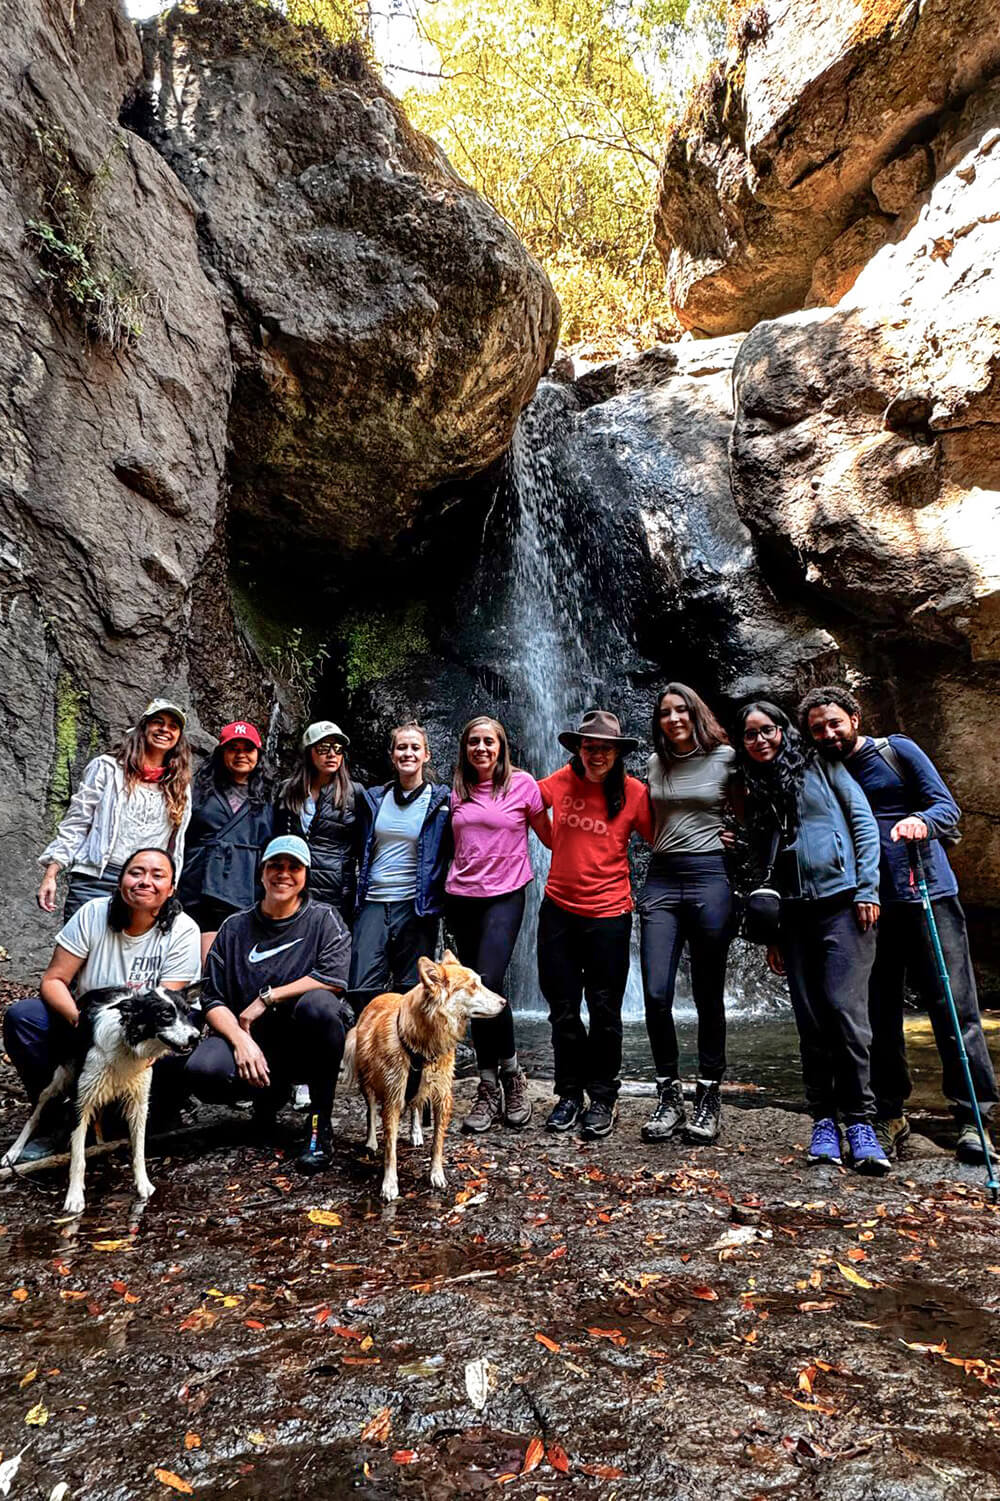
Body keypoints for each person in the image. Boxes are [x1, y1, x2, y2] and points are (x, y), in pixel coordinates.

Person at [799, 685, 999, 1165]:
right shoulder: (821, 770)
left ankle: (973, 1117)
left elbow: (945, 807)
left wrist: (920, 821)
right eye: (818, 729)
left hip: (926, 892)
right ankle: (890, 1111)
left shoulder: (896, 751)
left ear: (854, 717)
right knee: (878, 1014)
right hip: (863, 908)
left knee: (952, 1004)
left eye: (835, 724)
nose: (828, 734)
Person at [736, 701, 887, 1174]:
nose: (760, 740)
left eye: (768, 730)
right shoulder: (752, 789)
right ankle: (823, 1121)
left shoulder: (823, 767)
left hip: (843, 904)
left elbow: (862, 824)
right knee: (811, 1021)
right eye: (750, 735)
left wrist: (868, 888)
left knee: (846, 1013)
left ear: (784, 731)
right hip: (794, 916)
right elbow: (761, 865)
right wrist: (773, 936)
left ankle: (860, 1121)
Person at [4, 848, 201, 1158]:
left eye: (157, 875)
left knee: (181, 1040)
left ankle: (145, 1117)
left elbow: (167, 1009)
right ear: (121, 879)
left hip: (143, 1030)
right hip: (89, 1019)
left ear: (172, 888)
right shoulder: (93, 913)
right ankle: (57, 1118)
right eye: (136, 872)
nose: (144, 881)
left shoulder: (184, 930)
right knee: (24, 1017)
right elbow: (54, 980)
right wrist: (79, 1021)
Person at [184, 836, 352, 1172]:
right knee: (203, 1070)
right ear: (262, 873)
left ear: (306, 875)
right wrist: (240, 1040)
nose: (283, 874)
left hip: (304, 1042)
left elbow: (333, 979)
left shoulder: (323, 919)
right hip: (254, 1041)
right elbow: (213, 998)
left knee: (321, 1007)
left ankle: (319, 1125)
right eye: (275, 866)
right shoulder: (234, 928)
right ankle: (267, 1098)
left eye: (294, 867)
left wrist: (268, 997)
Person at [536, 708, 652, 1139]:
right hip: (558, 912)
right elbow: (527, 806)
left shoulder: (636, 793)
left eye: (605, 748)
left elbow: (660, 837)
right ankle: (568, 1094)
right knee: (563, 1009)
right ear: (579, 749)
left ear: (617, 752)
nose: (597, 754)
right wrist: (552, 839)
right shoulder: (558, 782)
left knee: (605, 1011)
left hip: (609, 915)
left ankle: (603, 1096)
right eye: (590, 747)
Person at [640, 684, 738, 1147]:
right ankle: (668, 1093)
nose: (674, 718)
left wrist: (737, 835)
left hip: (708, 877)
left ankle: (709, 1093)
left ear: (696, 712)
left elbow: (755, 804)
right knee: (656, 992)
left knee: (707, 991)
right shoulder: (655, 764)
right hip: (661, 878)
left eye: (681, 709)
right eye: (665, 712)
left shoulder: (726, 758)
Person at [445, 715, 551, 1133]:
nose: (482, 749)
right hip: (461, 899)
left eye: (489, 741)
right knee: (476, 991)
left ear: (501, 746)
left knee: (486, 979)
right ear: (465, 748)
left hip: (506, 896)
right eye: (474, 742)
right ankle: (489, 1087)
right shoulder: (454, 789)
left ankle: (511, 1076)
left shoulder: (522, 785)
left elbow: (552, 836)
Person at [37, 698, 192, 921]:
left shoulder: (179, 785)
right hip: (96, 878)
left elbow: (176, 845)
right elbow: (77, 821)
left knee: (127, 954)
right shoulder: (107, 768)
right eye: (158, 722)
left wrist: (170, 887)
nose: (164, 729)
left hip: (145, 885)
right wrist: (52, 872)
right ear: (144, 727)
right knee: (79, 952)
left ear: (178, 737)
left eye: (173, 726)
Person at [349, 722, 451, 1012]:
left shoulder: (441, 802)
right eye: (402, 747)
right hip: (373, 900)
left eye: (415, 748)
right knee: (360, 985)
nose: (408, 753)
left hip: (416, 905)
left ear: (426, 755)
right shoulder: (373, 799)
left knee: (413, 987)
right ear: (392, 755)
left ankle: (408, 1053)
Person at [178, 720, 274, 962]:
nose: (241, 755)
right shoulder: (197, 789)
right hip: (199, 885)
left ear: (258, 755)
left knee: (239, 958)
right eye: (234, 749)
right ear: (222, 753)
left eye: (248, 749)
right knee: (200, 959)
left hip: (247, 885)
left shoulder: (272, 795)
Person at [274, 721, 363, 925]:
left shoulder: (355, 794)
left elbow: (362, 846)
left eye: (338, 749)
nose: (332, 754)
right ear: (309, 752)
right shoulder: (288, 791)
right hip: (293, 888)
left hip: (337, 894)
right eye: (323, 748)